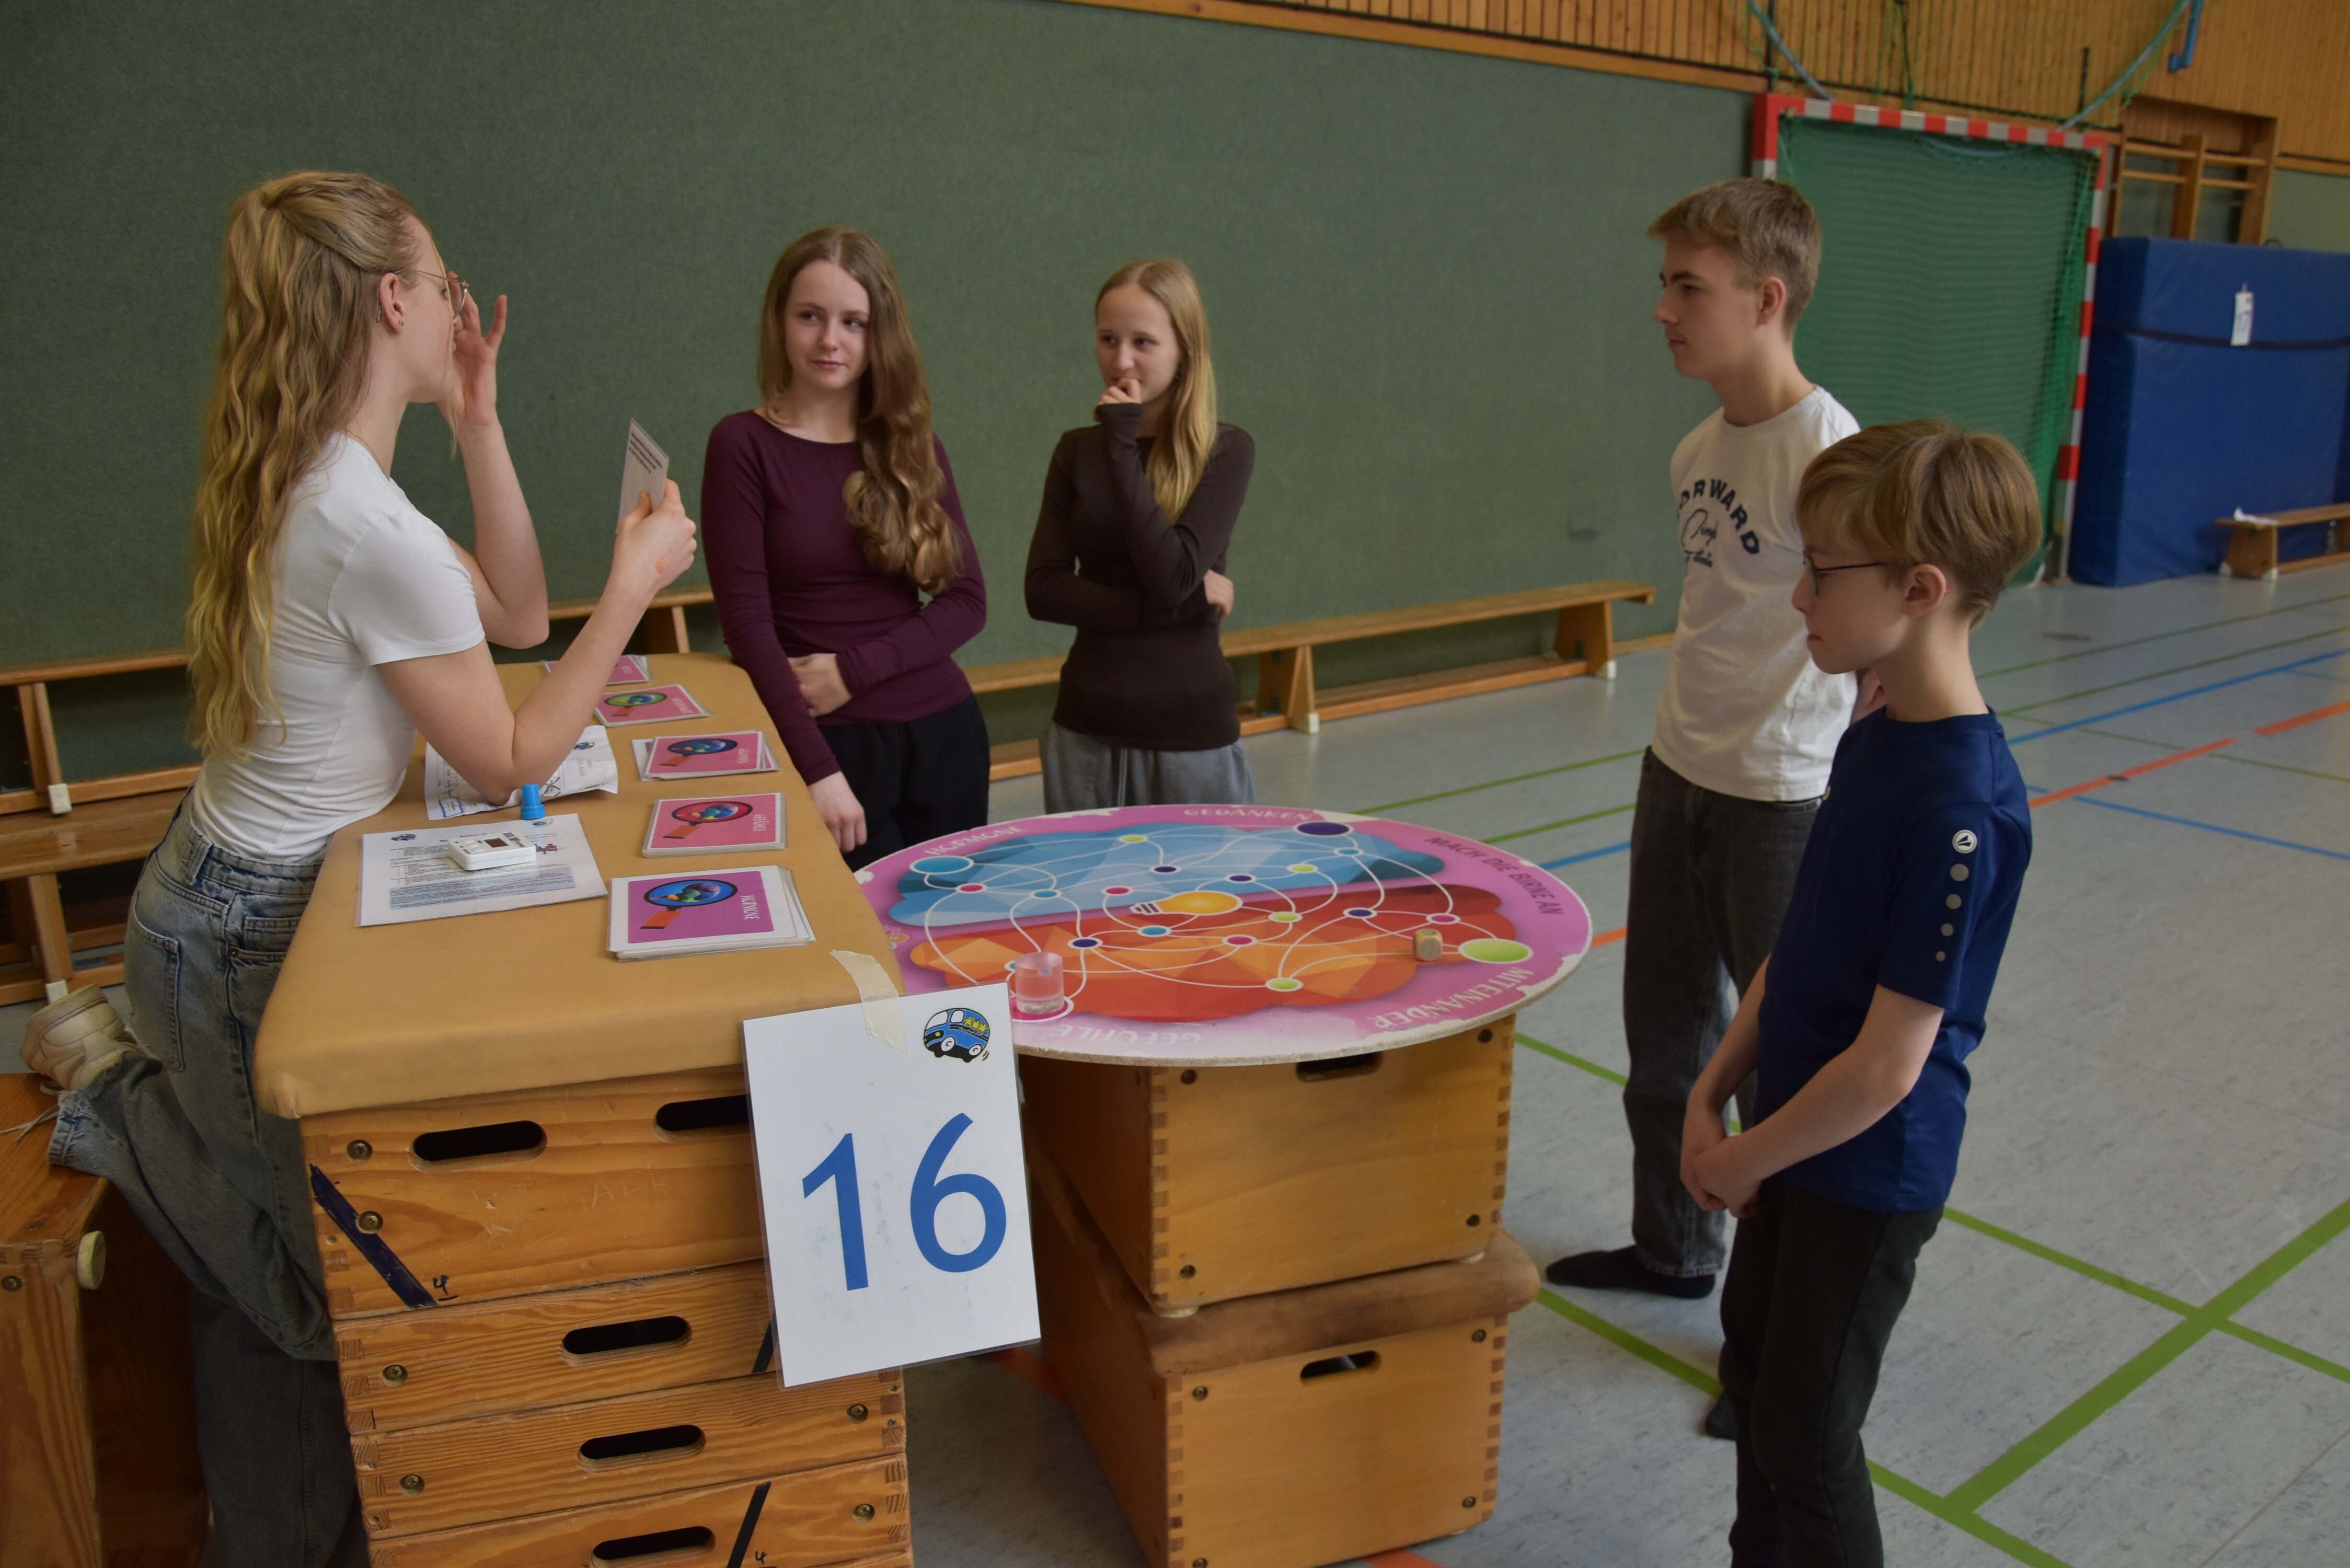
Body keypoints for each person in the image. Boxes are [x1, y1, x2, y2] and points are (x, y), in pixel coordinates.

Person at [17, 170, 698, 1565]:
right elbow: (511, 755)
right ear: (392, 300)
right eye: (444, 285)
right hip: (238, 933)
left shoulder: (332, 480)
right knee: (325, 1284)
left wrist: (481, 417)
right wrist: (635, 589)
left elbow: (514, 613)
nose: (459, 306)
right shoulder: (363, 525)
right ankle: (115, 1096)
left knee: (268, 1287)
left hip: (225, 901)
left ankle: (286, 1535)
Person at [1684, 420, 2038, 1567]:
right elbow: (1800, 947)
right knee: (1755, 1385)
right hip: (1789, 1136)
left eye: (1824, 571)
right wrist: (1715, 1084)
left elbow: (1887, 1067)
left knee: (1806, 1430)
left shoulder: (1961, 813)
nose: (1800, 597)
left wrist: (1747, 1157)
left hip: (1863, 1170)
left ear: (1921, 589)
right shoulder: (1874, 729)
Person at [1548, 181, 1859, 1360]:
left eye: (1689, 286)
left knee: (1781, 1073)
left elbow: (1883, 635)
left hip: (1782, 794)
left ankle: (1773, 1342)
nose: (1664, 310)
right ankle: (1674, 1248)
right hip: (1677, 767)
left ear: (1766, 299)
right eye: (1664, 284)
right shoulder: (1695, 449)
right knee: (1666, 1042)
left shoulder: (1833, 456)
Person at [702, 227, 988, 869]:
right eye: (810, 316)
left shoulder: (912, 445)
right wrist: (817, 770)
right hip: (827, 747)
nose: (830, 340)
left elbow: (966, 602)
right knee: (849, 932)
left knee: (947, 930)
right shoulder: (742, 445)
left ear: (878, 333)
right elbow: (748, 627)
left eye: (852, 322)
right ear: (780, 322)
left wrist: (850, 672)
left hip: (943, 735)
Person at [1026, 258, 1255, 810]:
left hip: (1190, 738)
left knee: (1202, 875)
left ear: (1185, 350)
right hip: (1084, 731)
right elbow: (1044, 590)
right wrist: (1178, 605)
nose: (1120, 360)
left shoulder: (1225, 450)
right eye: (1108, 339)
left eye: (1143, 343)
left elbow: (1171, 576)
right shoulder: (1075, 451)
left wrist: (1121, 444)